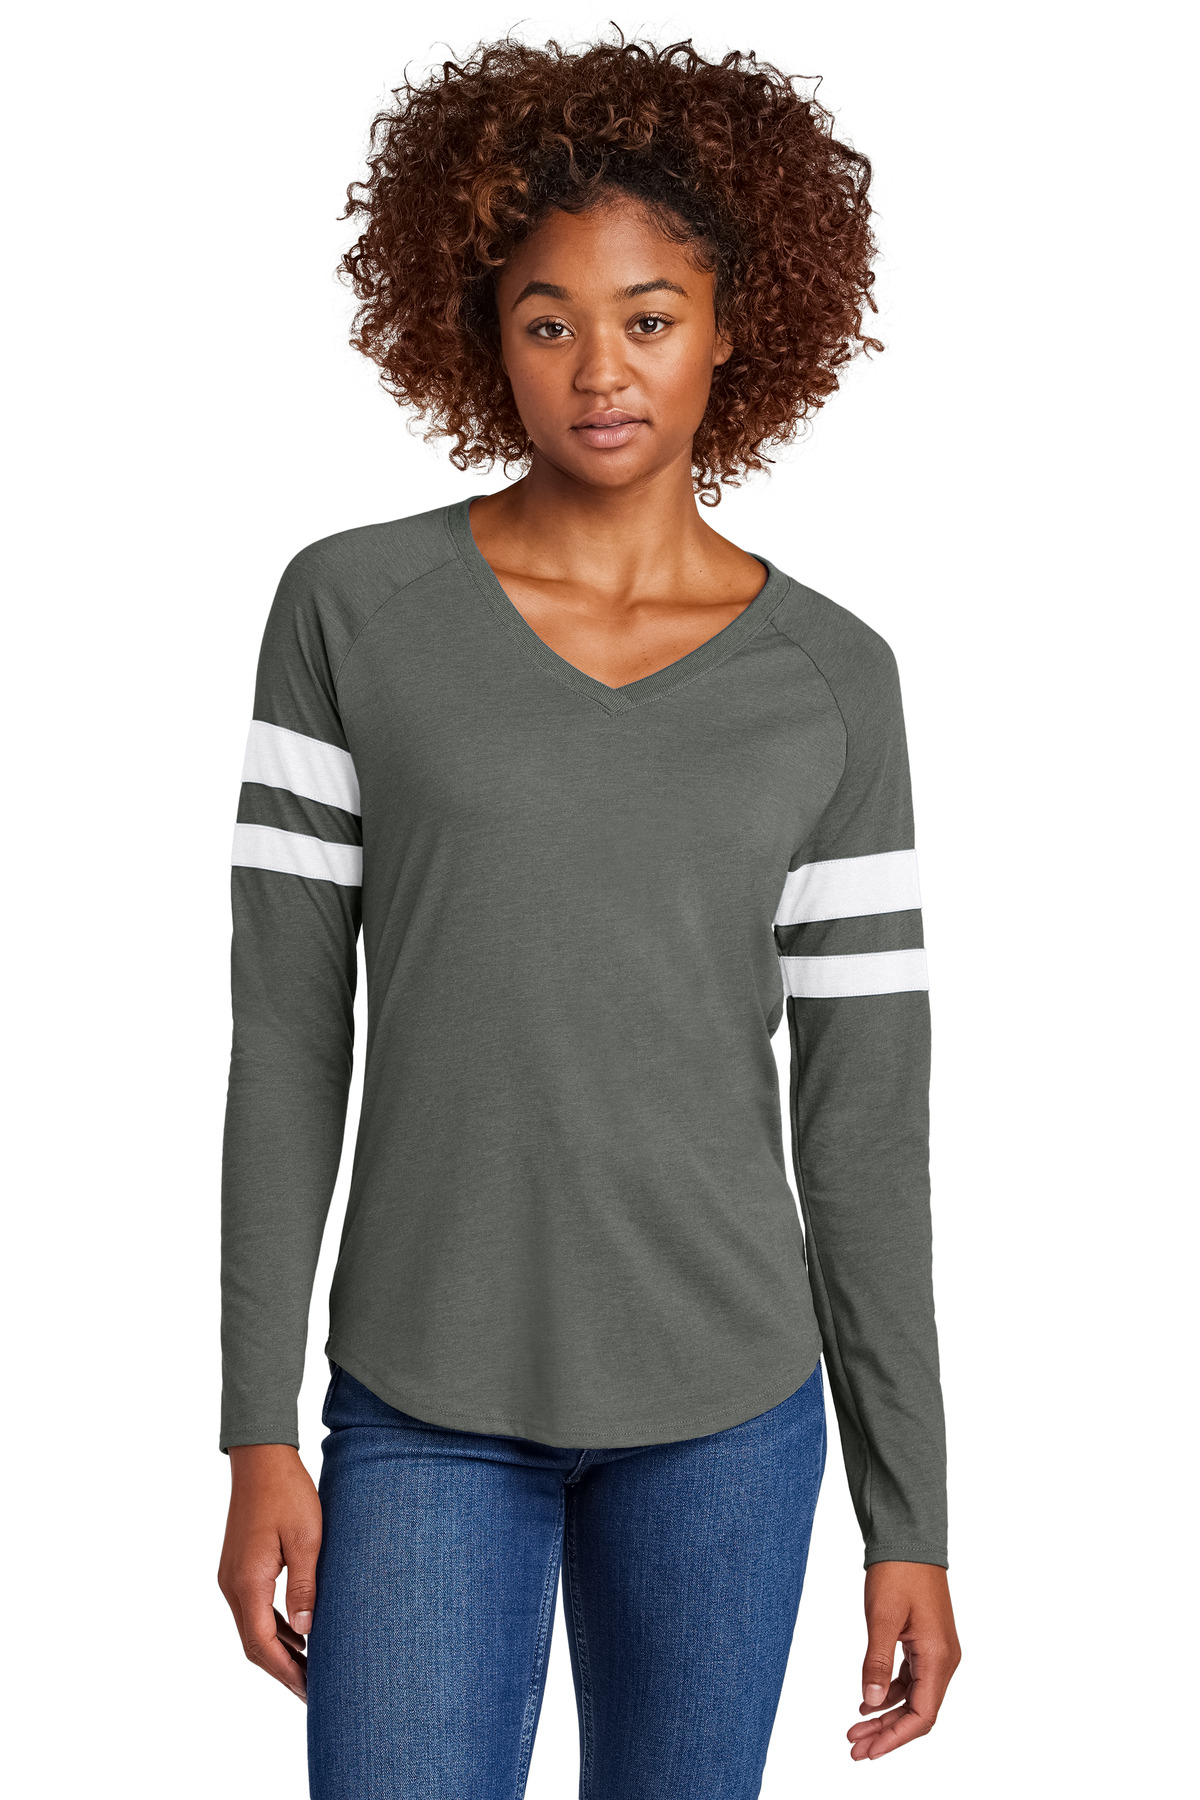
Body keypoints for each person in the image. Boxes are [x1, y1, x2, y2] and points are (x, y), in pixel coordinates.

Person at [216, 33, 960, 1797]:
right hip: (423, 1403)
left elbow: (865, 1129)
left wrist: (910, 1516)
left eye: (650, 315)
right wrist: (256, 1427)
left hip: (729, 1419)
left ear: (735, 328)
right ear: (481, 332)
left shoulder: (833, 681)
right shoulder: (353, 612)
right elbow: (288, 1036)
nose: (600, 368)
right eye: (548, 320)